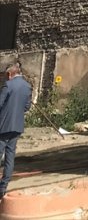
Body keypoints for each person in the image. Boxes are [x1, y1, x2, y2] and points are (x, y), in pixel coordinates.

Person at [0, 62, 33, 200]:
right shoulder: (27, 86)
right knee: (10, 156)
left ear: (9, 74)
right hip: (17, 126)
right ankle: (3, 186)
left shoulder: (8, 85)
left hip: (3, 126)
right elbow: (27, 107)